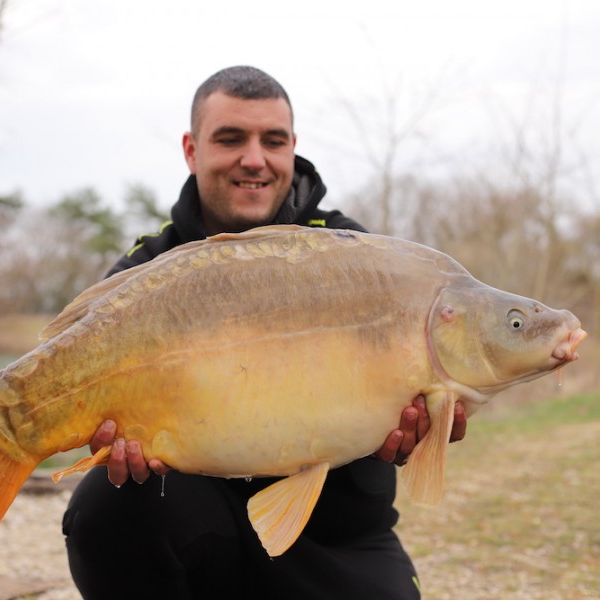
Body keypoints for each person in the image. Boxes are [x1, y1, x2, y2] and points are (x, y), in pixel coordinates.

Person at [62, 65, 468, 600]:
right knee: (103, 509)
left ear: (292, 148)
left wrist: (426, 429)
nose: (254, 158)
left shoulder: (361, 258)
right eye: (231, 138)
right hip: (196, 526)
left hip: (334, 540)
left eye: (272, 141)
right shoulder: (147, 269)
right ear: (191, 149)